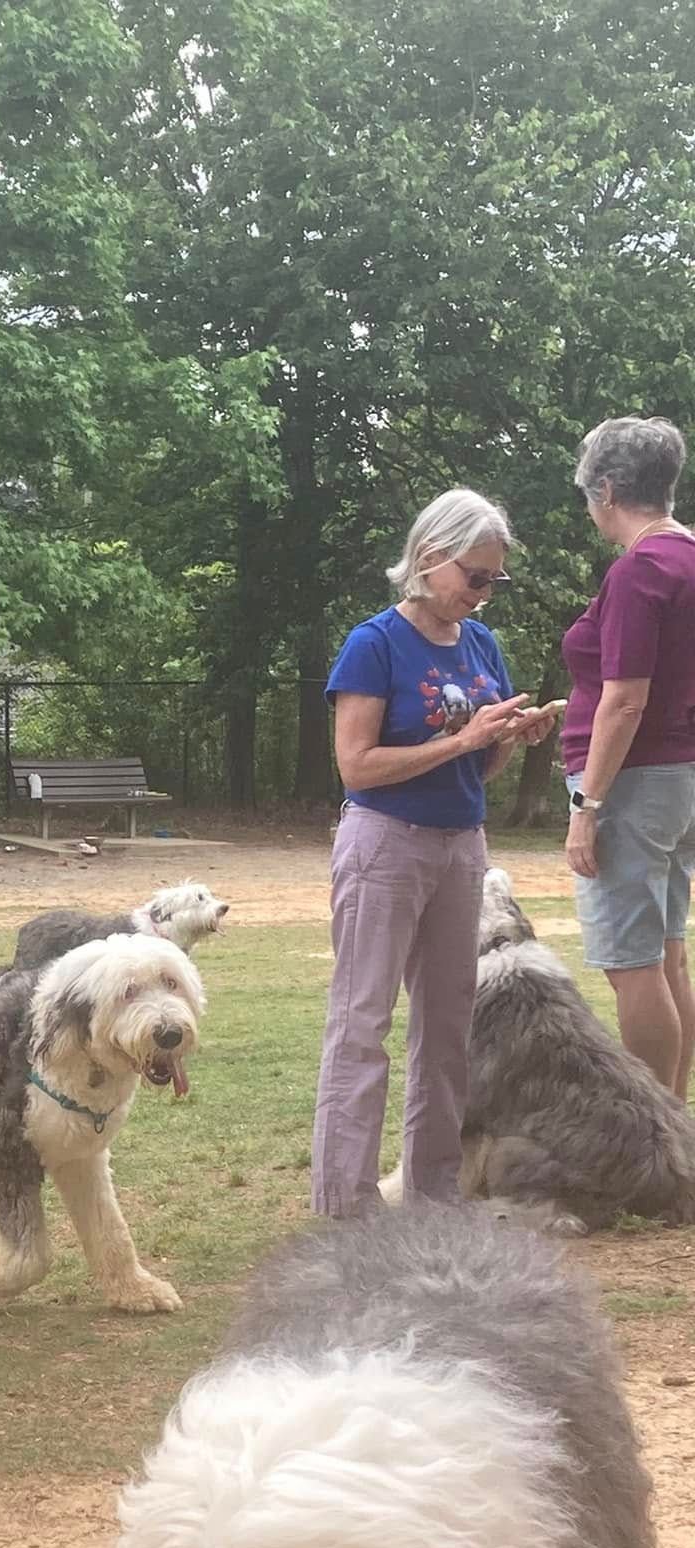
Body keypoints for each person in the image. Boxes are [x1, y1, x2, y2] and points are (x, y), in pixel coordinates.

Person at [310, 489, 559, 1218]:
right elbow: (356, 766)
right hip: (385, 843)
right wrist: (462, 738)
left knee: (449, 1028)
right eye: (474, 577)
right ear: (427, 558)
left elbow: (473, 770)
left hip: (461, 845)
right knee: (363, 1023)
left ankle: (434, 1193)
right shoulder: (374, 643)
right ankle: (346, 1204)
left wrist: (508, 740)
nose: (483, 594)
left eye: (494, 581)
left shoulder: (482, 646)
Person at [562, 415, 695, 1099]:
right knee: (668, 954)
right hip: (680, 781)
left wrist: (587, 807)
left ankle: (651, 1134)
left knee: (632, 965)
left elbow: (627, 701)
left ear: (607, 490)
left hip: (632, 785)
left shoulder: (639, 569)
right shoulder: (690, 557)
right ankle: (673, 1125)